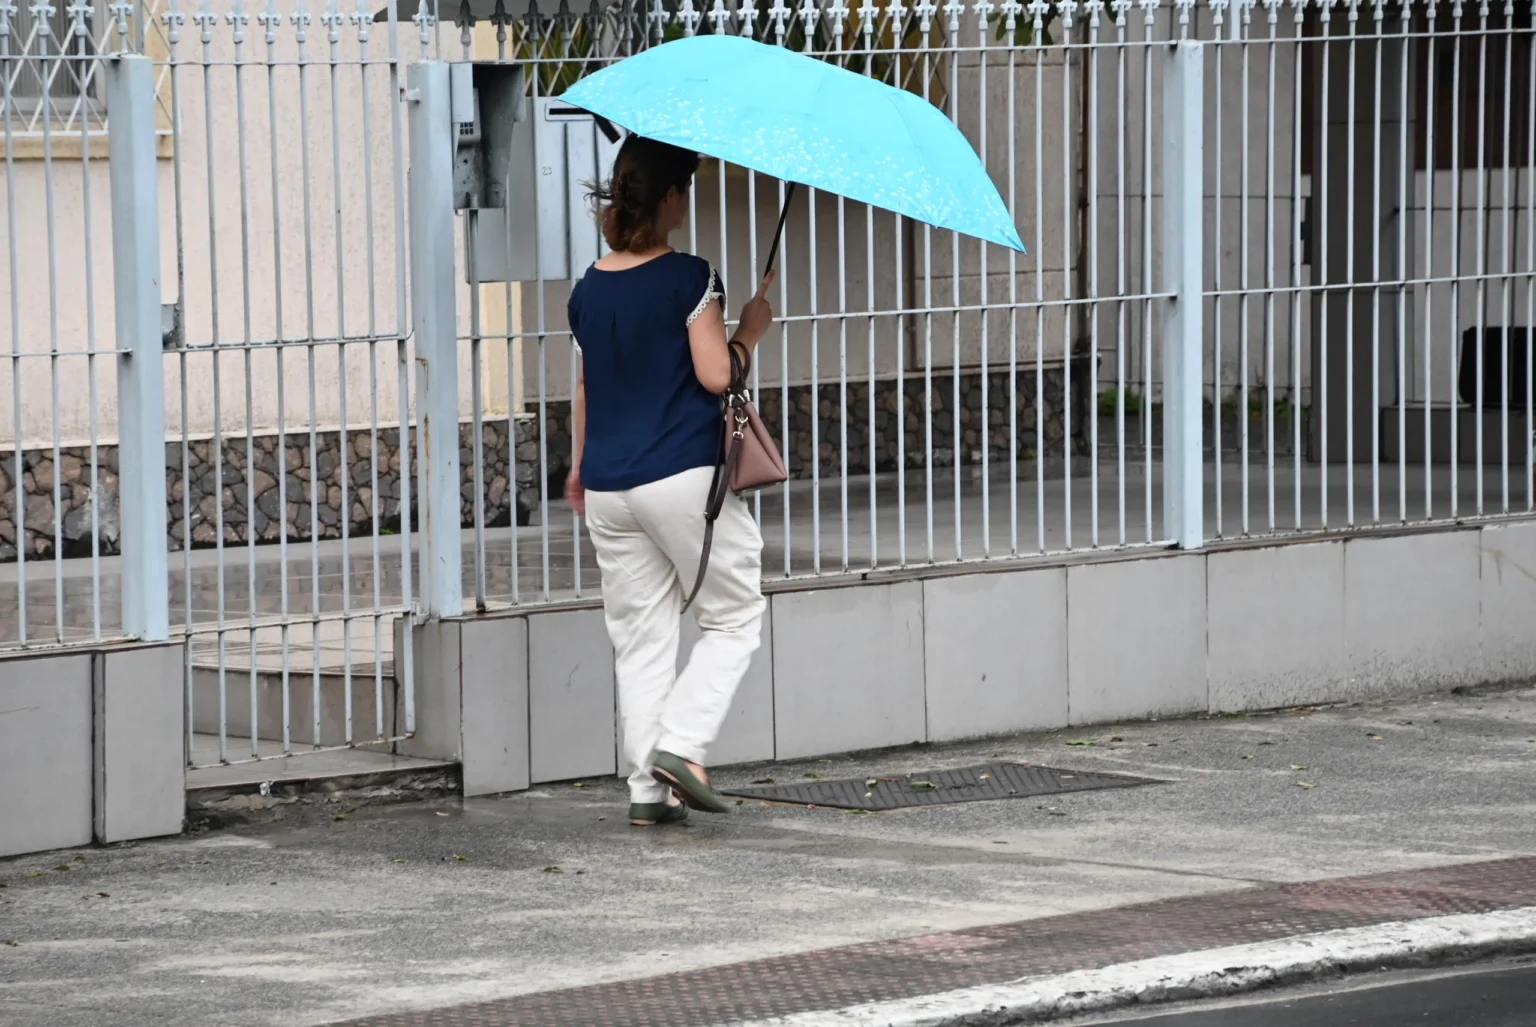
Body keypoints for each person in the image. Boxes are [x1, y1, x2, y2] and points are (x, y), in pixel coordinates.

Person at [564, 135, 776, 827]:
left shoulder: (588, 289)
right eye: (685, 186)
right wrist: (750, 329)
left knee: (642, 637)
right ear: (670, 198)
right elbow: (718, 375)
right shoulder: (691, 277)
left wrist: (577, 467)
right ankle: (682, 748)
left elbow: (587, 386)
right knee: (736, 614)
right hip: (680, 476)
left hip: (607, 486)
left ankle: (646, 790)